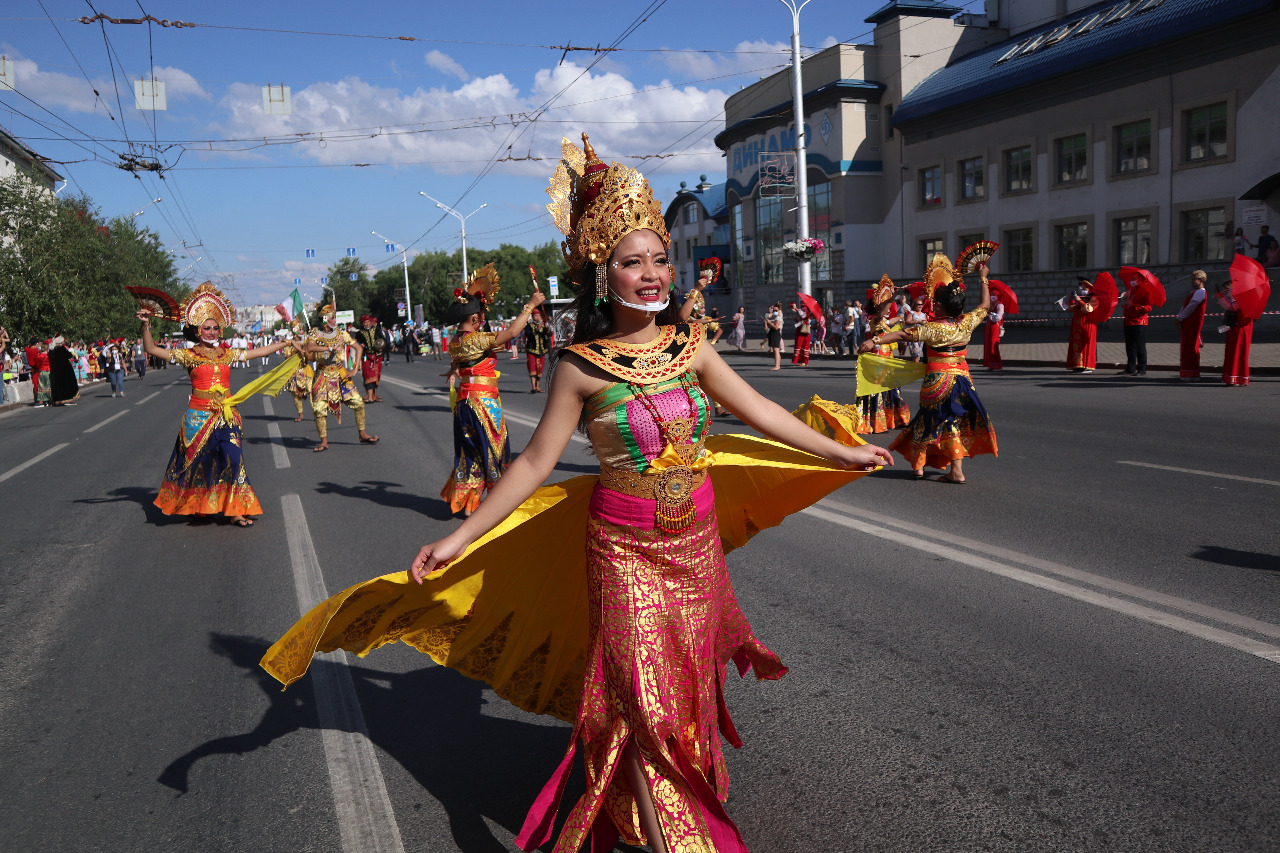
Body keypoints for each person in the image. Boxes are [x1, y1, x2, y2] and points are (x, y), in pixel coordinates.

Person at [261, 134, 892, 853]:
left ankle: (649, 802)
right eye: (632, 261)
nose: (651, 273)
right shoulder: (580, 366)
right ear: (603, 274)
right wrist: (459, 536)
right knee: (644, 703)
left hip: (694, 547)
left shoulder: (693, 345)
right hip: (623, 551)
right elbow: (532, 465)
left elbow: (762, 413)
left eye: (659, 258)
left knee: (680, 693)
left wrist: (842, 448)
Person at [138, 282, 301, 526]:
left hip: (226, 417)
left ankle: (236, 510)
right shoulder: (188, 355)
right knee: (203, 465)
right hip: (198, 419)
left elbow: (258, 352)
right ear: (196, 330)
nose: (212, 332)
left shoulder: (228, 354)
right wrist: (145, 324)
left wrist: (286, 343)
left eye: (215, 328)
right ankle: (202, 506)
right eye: (207, 328)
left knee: (233, 459)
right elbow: (150, 348)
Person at [861, 256, 997, 483]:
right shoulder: (966, 323)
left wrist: (874, 341)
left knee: (928, 420)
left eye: (935, 302)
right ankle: (956, 470)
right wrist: (983, 278)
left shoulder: (931, 329)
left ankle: (920, 467)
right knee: (953, 422)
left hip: (937, 382)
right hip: (962, 381)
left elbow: (903, 334)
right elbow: (985, 305)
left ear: (940, 305)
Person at [442, 263, 545, 516]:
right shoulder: (477, 340)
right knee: (494, 451)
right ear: (476, 318)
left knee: (470, 454)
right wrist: (530, 305)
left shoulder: (456, 342)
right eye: (480, 318)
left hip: (463, 406)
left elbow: (467, 360)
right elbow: (511, 332)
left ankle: (468, 505)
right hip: (483, 404)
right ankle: (498, 505)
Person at [307, 303, 379, 451]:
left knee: (358, 403)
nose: (335, 321)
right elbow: (310, 348)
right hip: (322, 375)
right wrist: (328, 348)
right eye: (332, 318)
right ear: (326, 319)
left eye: (335, 318)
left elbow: (358, 348)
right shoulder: (314, 333)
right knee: (319, 409)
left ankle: (362, 434)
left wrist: (355, 368)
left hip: (340, 374)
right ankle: (324, 441)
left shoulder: (341, 334)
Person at [853, 276, 912, 434]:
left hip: (888, 357)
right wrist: (891, 297)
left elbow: (889, 322)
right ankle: (877, 422)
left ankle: (894, 419)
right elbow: (883, 318)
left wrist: (899, 317)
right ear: (879, 308)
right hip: (879, 358)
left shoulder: (882, 321)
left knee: (891, 388)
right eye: (886, 306)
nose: (888, 309)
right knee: (879, 389)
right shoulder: (875, 320)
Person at [1216, 282, 1252, 386]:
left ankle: (1237, 377)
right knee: (1232, 352)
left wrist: (1221, 297)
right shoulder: (1238, 297)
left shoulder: (1243, 297)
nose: (1226, 292)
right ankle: (1233, 376)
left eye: (1227, 290)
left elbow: (1233, 307)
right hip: (1235, 328)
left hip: (1240, 329)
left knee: (1237, 352)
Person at [1176, 270, 1208, 381]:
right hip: (1189, 323)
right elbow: (1186, 306)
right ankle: (1189, 373)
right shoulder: (1194, 292)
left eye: (1195, 279)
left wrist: (1180, 317)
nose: (1193, 281)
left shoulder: (1200, 292)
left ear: (1201, 280)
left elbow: (1191, 307)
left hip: (1192, 323)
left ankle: (1190, 374)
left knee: (1190, 348)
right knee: (1188, 348)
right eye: (1192, 279)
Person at [1118, 283, 1152, 376]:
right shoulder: (1131, 291)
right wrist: (1125, 302)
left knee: (1140, 346)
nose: (1132, 281)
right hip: (1128, 321)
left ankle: (1141, 369)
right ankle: (1130, 368)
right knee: (1130, 346)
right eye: (1132, 279)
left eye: (1134, 279)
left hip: (1139, 322)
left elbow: (1148, 308)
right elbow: (1127, 305)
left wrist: (1134, 305)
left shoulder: (1146, 291)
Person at [1065, 278, 1097, 373]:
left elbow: (1088, 309)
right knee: (1076, 344)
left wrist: (1079, 300)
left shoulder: (1094, 297)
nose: (1081, 289)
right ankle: (1076, 365)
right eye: (1080, 287)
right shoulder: (1080, 297)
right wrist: (1069, 301)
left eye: (1084, 288)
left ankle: (1086, 365)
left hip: (1087, 324)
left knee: (1085, 345)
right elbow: (1072, 309)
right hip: (1077, 324)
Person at [355, 315, 388, 403]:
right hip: (367, 356)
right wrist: (360, 345)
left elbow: (382, 339)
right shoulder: (360, 333)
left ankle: (374, 395)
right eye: (365, 322)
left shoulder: (376, 329)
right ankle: (369, 396)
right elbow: (356, 342)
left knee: (376, 376)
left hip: (377, 356)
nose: (367, 324)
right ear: (362, 324)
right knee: (368, 376)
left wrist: (380, 345)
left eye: (368, 322)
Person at [523, 307, 553, 393]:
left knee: (540, 368)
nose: (537, 317)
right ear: (533, 317)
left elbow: (549, 334)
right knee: (532, 367)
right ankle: (533, 386)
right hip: (532, 350)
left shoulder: (543, 325)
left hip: (542, 350)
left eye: (539, 315)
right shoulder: (529, 326)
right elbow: (528, 335)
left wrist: (546, 328)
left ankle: (538, 386)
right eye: (536, 315)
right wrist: (537, 329)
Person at [47, 336, 79, 405]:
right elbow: (69, 355)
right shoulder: (61, 349)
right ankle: (67, 399)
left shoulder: (51, 350)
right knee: (65, 384)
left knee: (57, 385)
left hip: (55, 370)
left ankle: (57, 400)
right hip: (64, 369)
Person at [983, 287, 1004, 371]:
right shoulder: (991, 305)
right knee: (988, 344)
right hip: (989, 326)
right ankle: (990, 364)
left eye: (994, 295)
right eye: (991, 295)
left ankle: (996, 364)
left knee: (993, 344)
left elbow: (998, 317)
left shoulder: (1000, 305)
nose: (992, 297)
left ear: (998, 296)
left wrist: (990, 315)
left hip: (995, 326)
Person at [902, 297, 927, 362]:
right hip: (913, 334)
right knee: (915, 353)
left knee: (918, 352)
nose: (920, 306)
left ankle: (915, 366)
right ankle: (915, 366)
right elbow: (907, 321)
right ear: (915, 305)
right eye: (918, 304)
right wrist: (918, 322)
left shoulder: (923, 314)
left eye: (921, 304)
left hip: (921, 335)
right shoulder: (912, 313)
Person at [765, 301, 783, 370]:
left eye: (776, 310)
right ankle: (778, 365)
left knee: (776, 350)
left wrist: (770, 323)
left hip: (776, 333)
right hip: (773, 333)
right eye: (774, 310)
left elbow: (776, 327)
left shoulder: (778, 318)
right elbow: (771, 327)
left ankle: (777, 366)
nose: (775, 311)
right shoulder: (774, 317)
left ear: (779, 311)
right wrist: (767, 323)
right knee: (776, 350)